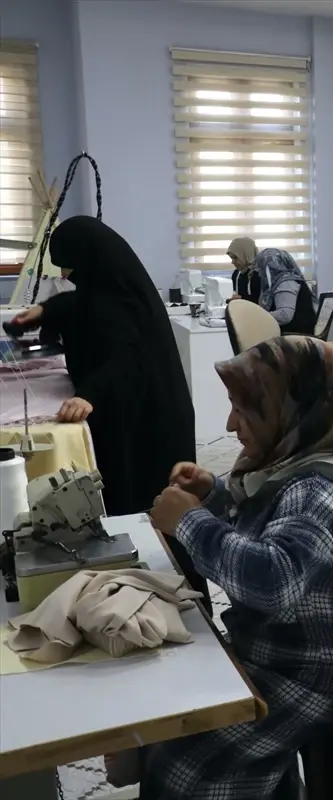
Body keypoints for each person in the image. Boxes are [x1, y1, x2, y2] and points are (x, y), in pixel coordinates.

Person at [120, 336, 333, 798]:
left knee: (184, 764)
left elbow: (274, 582)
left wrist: (189, 522)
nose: (230, 424)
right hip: (285, 654)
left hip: (320, 677)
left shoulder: (319, 493)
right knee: (173, 713)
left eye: (244, 410)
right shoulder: (292, 465)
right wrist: (212, 495)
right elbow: (265, 531)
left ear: (292, 411)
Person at [10, 216, 210, 611]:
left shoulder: (124, 304)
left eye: (69, 266)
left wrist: (89, 394)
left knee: (155, 510)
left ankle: (181, 599)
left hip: (150, 421)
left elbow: (128, 356)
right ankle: (133, 593)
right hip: (132, 413)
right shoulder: (113, 289)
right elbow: (81, 305)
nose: (65, 275)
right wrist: (43, 312)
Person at [255, 247, 317, 335]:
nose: (259, 273)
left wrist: (258, 317)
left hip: (295, 334)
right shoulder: (289, 279)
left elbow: (284, 315)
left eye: (260, 268)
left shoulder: (286, 283)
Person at [226, 236, 262, 303]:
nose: (232, 262)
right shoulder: (236, 274)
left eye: (235, 258)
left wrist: (241, 298)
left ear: (246, 255)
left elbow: (263, 302)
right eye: (231, 258)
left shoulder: (259, 274)